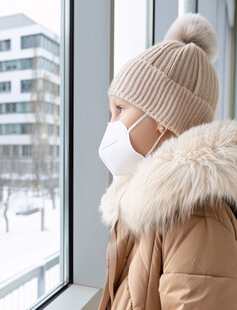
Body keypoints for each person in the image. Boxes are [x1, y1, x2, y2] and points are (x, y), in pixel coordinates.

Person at [97, 12, 237, 310]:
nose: (112, 124)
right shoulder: (148, 206)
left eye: (120, 109)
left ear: (163, 118)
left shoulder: (196, 217)